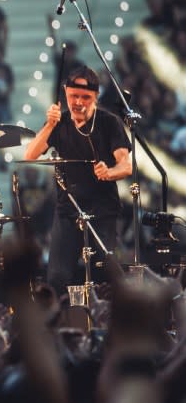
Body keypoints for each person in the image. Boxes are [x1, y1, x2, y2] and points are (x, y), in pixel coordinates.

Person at [23, 66, 132, 295]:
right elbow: (30, 154)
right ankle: (62, 326)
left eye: (85, 97)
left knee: (103, 274)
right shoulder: (60, 123)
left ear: (95, 96)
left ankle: (105, 325)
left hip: (102, 208)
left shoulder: (109, 122)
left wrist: (109, 172)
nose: (79, 102)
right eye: (74, 96)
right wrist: (50, 125)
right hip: (68, 209)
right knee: (57, 276)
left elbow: (126, 165)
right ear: (65, 94)